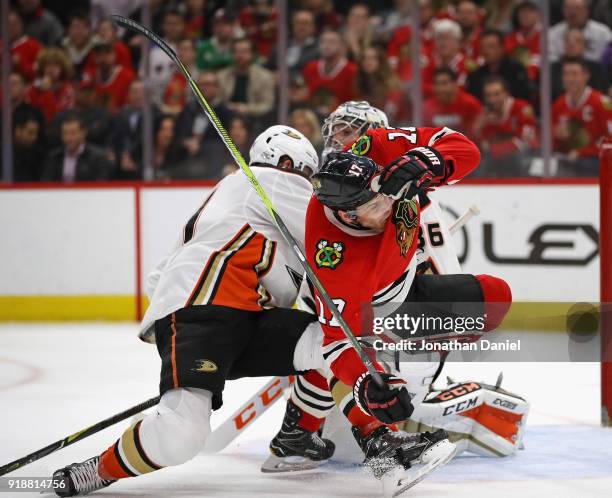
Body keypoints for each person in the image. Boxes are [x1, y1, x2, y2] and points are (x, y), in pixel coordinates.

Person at [51, 125, 327, 496]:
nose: (308, 185)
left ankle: (360, 438)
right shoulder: (271, 180)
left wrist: (178, 335)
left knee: (333, 343)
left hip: (228, 319)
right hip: (210, 314)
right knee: (182, 433)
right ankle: (97, 470)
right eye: (307, 175)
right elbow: (331, 238)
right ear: (290, 164)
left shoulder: (229, 200)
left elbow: (158, 277)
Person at [552, 57, 612, 176]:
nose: (570, 79)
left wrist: (582, 153)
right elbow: (552, 142)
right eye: (566, 74)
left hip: (595, 159)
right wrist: (556, 136)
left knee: (585, 166)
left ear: (586, 76)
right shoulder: (558, 105)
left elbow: (610, 140)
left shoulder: (601, 103)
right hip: (566, 159)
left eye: (574, 74)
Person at [474, 76, 538, 176]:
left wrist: (493, 149)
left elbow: (526, 142)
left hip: (522, 161)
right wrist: (478, 129)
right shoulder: (484, 115)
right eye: (488, 95)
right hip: (495, 163)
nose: (492, 99)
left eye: (497, 94)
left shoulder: (522, 108)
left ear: (506, 93)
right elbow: (480, 146)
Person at [42, 112, 113, 182]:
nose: (68, 138)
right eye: (65, 133)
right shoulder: (54, 157)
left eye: (73, 133)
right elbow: (46, 185)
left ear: (83, 133)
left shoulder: (98, 158)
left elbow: (100, 187)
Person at [466, 29, 531, 103]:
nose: (486, 51)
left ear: (502, 48)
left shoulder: (516, 70)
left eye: (491, 46)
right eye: (483, 47)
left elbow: (522, 98)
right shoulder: (476, 75)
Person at [217, 37, 275, 119]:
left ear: (252, 54)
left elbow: (268, 106)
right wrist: (228, 107)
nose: (240, 56)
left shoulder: (264, 76)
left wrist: (247, 108)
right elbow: (217, 101)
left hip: (254, 119)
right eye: (237, 52)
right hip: (226, 118)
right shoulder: (222, 75)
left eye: (244, 52)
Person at [302, 30, 358, 115]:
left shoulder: (352, 70)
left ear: (342, 47)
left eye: (332, 42)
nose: (326, 45)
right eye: (323, 42)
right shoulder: (310, 68)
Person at [354, 46, 410, 124]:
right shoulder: (359, 85)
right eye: (364, 59)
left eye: (372, 58)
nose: (367, 62)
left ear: (381, 62)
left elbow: (393, 118)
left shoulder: (392, 88)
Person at [551, 28, 609, 101]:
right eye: (567, 41)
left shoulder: (597, 68)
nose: (571, 44)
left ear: (584, 46)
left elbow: (604, 92)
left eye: (577, 41)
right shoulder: (553, 69)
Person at [421, 19, 475, 98]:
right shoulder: (428, 64)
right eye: (439, 39)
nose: (442, 43)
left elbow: (466, 91)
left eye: (447, 38)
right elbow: (420, 88)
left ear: (458, 42)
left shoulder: (469, 66)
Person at [423, 67, 483, 136]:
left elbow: (477, 132)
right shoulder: (427, 107)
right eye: (437, 84)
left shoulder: (470, 104)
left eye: (444, 83)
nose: (440, 88)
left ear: (454, 84)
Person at [265, 9, 319, 81]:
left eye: (306, 23)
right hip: (278, 88)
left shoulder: (319, 48)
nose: (301, 27)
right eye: (298, 23)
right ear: (292, 25)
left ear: (313, 27)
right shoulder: (280, 47)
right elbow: (268, 69)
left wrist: (288, 77)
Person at [25, 47, 75, 123]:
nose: (51, 69)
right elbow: (30, 112)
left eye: (55, 65)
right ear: (42, 68)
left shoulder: (67, 90)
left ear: (62, 68)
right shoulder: (33, 88)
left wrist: (47, 91)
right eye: (48, 65)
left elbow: (57, 117)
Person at [83, 42, 135, 113]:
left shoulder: (128, 76)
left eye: (107, 53)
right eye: (99, 54)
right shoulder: (90, 77)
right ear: (94, 57)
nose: (103, 58)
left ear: (114, 55)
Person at [504, 1, 541, 83]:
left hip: (539, 81)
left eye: (529, 11)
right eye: (522, 12)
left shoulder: (545, 37)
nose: (525, 14)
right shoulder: (510, 38)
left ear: (538, 15)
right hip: (514, 80)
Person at [6, 9, 42, 83]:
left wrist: (20, 63)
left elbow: (39, 73)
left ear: (21, 24)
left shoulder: (34, 46)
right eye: (7, 24)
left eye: (14, 24)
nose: (10, 28)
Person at [62, 12, 95, 79]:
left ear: (89, 30)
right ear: (68, 29)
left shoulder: (96, 48)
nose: (78, 32)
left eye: (82, 28)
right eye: (75, 28)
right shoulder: (61, 47)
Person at [13, 113, 44, 182]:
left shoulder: (38, 154)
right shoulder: (4, 153)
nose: (34, 137)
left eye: (36, 133)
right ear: (18, 131)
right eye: (30, 133)